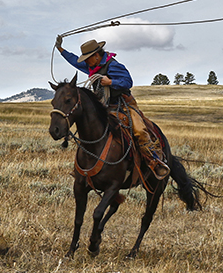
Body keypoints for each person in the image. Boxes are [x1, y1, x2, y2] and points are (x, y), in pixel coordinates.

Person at [55, 37, 169, 179]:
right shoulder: (92, 65)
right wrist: (60, 49)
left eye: (87, 58)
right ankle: (85, 166)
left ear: (96, 56)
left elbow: (128, 82)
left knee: (139, 130)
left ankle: (154, 161)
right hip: (104, 106)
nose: (84, 62)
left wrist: (110, 81)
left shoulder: (113, 66)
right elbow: (74, 61)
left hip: (124, 104)